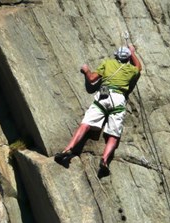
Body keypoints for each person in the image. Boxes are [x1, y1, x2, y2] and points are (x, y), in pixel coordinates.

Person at [55, 44, 142, 175]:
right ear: (128, 58)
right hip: (119, 98)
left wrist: (86, 70)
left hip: (104, 94)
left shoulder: (107, 63)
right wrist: (133, 52)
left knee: (85, 125)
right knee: (113, 135)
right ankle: (105, 160)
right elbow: (139, 67)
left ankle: (67, 150)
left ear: (116, 55)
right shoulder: (130, 69)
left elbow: (91, 79)